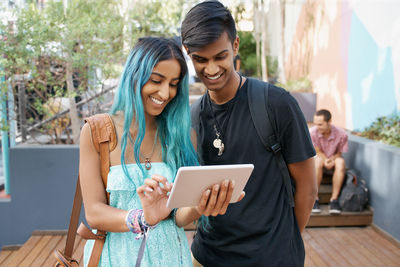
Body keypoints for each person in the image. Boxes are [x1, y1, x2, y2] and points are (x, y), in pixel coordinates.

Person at [79, 37, 241, 267]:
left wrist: (199, 205)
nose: (165, 93)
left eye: (174, 84)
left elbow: (177, 216)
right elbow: (94, 213)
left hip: (172, 257)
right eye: (157, 80)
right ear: (134, 75)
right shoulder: (97, 132)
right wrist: (142, 218)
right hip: (115, 258)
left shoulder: (180, 135)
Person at [181, 1, 317, 266]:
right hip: (208, 256)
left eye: (219, 57)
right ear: (188, 54)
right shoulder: (194, 115)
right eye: (200, 59)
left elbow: (308, 188)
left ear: (235, 46)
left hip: (271, 257)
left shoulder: (276, 103)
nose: (210, 69)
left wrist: (287, 241)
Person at [310, 109, 348, 214]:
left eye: (320, 124)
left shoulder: (342, 134)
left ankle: (334, 200)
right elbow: (317, 151)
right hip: (319, 158)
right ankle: (315, 199)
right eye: (316, 124)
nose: (317, 127)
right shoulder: (312, 132)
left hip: (334, 159)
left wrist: (332, 159)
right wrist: (326, 159)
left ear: (329, 122)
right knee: (317, 162)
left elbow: (339, 153)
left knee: (341, 162)